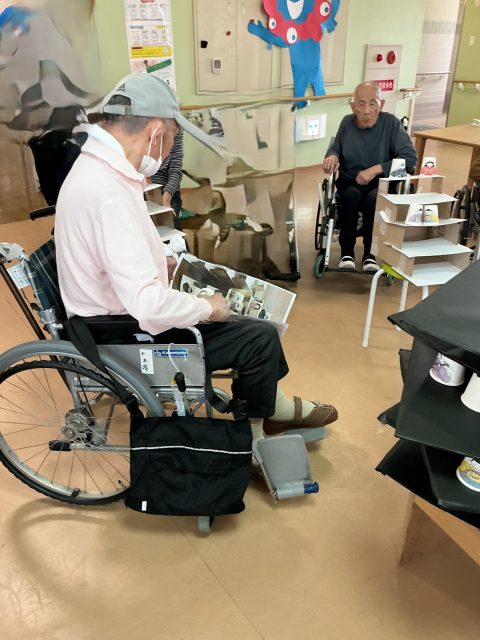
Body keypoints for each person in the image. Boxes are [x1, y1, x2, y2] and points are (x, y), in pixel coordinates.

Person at [55, 72, 338, 445]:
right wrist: (207, 308)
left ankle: (271, 404)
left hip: (112, 314)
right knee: (258, 336)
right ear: (157, 131)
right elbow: (148, 305)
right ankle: (256, 435)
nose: (169, 149)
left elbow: (118, 250)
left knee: (245, 313)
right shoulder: (106, 192)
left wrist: (163, 261)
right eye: (173, 137)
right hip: (121, 332)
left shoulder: (100, 169)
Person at [323, 81, 417, 273]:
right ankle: (347, 253)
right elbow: (336, 147)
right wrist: (332, 155)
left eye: (372, 103)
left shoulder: (391, 124)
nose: (366, 110)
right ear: (353, 106)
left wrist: (375, 170)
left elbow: (410, 158)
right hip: (350, 181)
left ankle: (370, 255)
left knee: (374, 199)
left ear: (381, 104)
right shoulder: (347, 123)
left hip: (381, 184)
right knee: (350, 196)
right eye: (361, 104)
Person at [151, 126, 184, 219]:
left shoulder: (176, 127)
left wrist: (166, 199)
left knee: (169, 219)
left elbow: (176, 170)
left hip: (167, 190)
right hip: (141, 187)